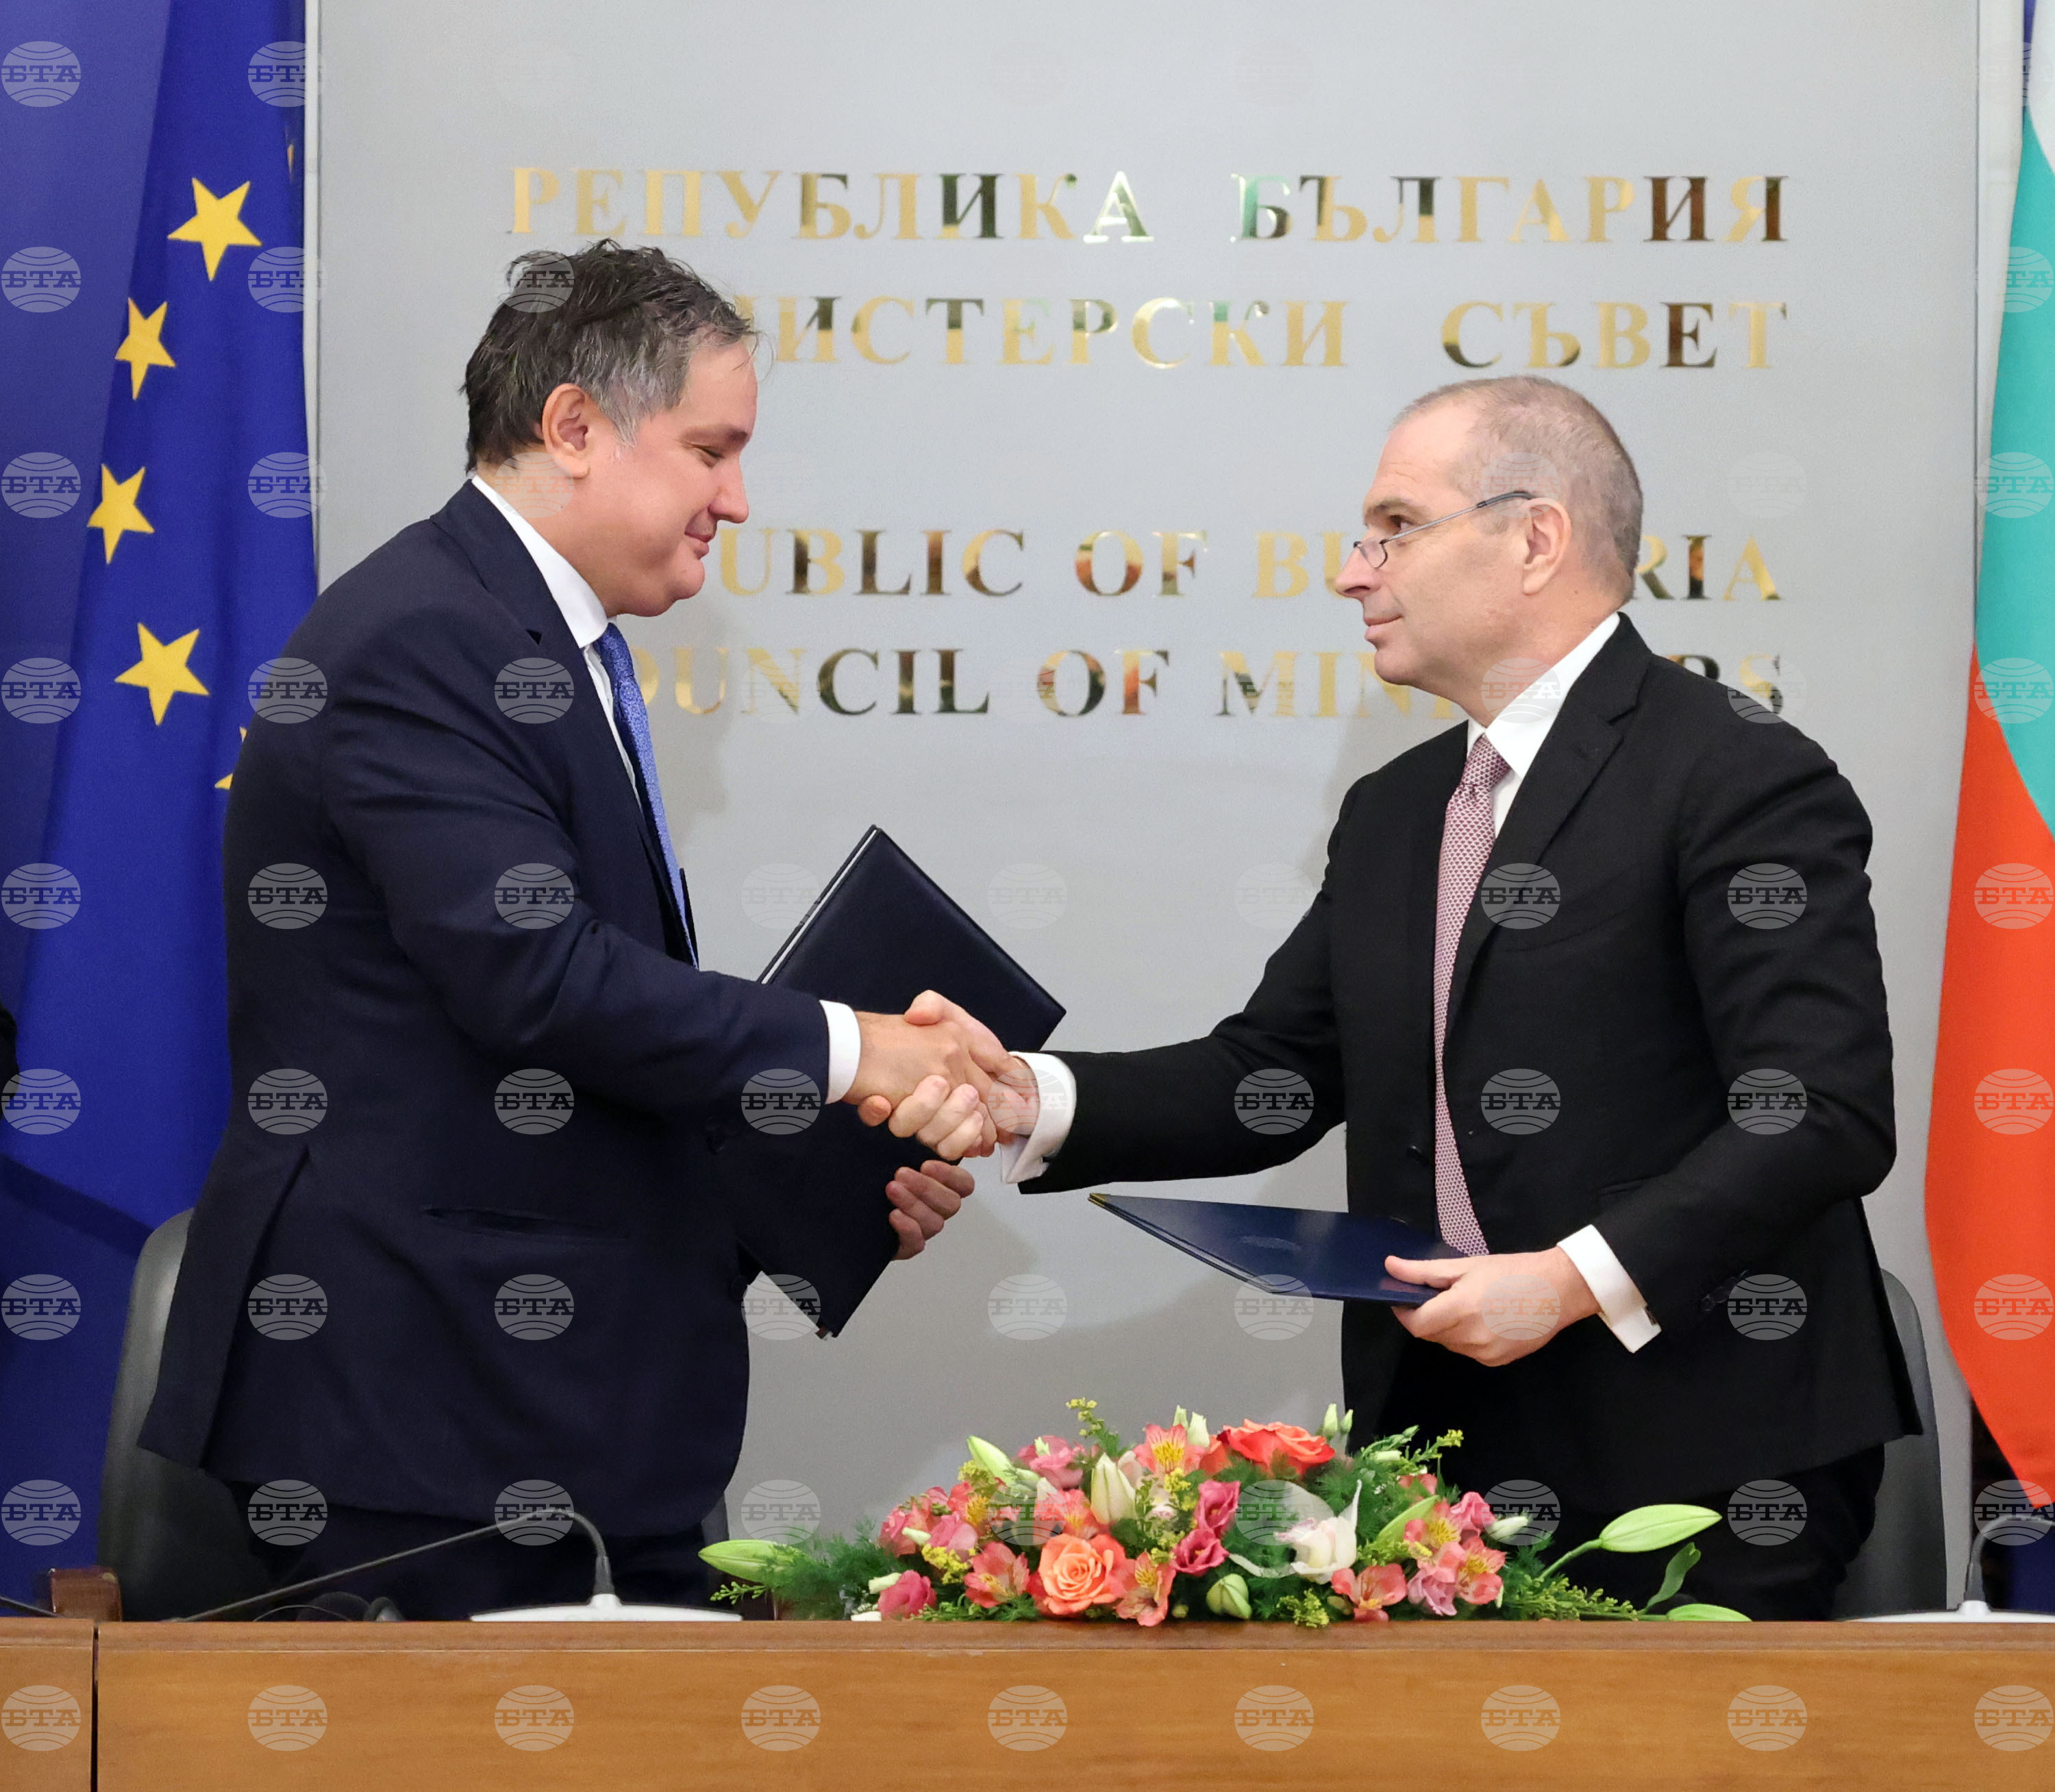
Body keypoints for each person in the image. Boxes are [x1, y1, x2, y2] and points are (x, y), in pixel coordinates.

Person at [895, 375, 1919, 1619]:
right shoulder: (1398, 811)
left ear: (1534, 538)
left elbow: (1819, 1113)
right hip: (1444, 1462)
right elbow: (1272, 1076)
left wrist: (1570, 1280)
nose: (1352, 572)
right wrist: (1025, 1095)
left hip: (1706, 1456)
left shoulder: (1738, 773)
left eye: (1394, 528)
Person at [140, 242, 989, 1618]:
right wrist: (860, 1052)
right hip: (422, 1419)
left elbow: (558, 1054)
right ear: (577, 426)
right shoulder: (423, 639)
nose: (736, 498)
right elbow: (538, 982)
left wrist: (829, 1174)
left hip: (557, 1416)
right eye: (711, 450)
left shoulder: (527, 635)